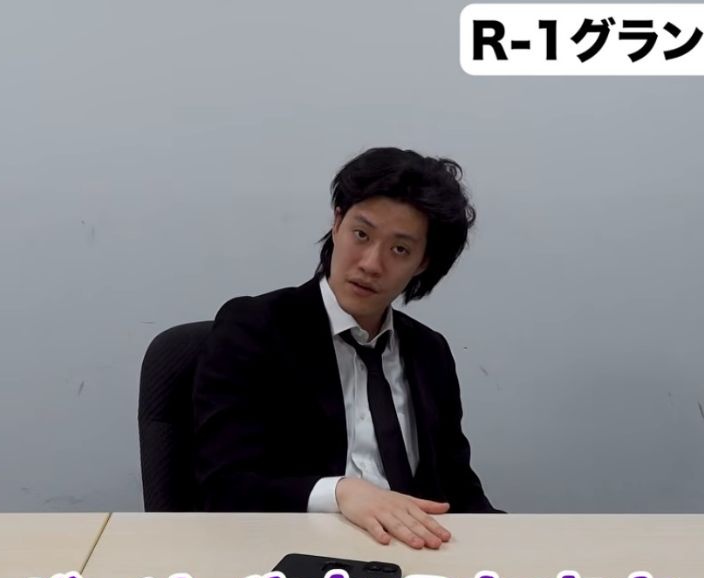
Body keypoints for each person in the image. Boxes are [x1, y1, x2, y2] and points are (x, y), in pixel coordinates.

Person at [192, 147, 501, 550]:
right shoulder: (254, 328)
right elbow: (226, 485)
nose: (371, 264)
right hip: (295, 557)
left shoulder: (430, 352)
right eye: (361, 234)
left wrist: (515, 548)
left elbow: (457, 487)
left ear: (423, 263)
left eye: (400, 249)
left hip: (418, 558)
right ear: (337, 223)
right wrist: (340, 492)